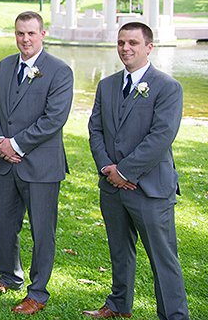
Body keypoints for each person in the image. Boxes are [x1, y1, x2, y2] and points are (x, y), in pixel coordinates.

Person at [83, 22, 189, 319]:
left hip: (151, 189)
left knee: (163, 258)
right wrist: (107, 168)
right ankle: (119, 305)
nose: (125, 48)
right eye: (120, 43)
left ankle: (174, 315)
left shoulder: (168, 87)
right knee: (119, 250)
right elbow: (95, 129)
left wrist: (126, 172)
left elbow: (161, 136)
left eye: (132, 43)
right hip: (112, 187)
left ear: (149, 47)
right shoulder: (107, 85)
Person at [0, 11, 73, 315]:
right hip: (8, 163)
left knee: (41, 231)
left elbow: (54, 119)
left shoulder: (60, 71)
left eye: (31, 33)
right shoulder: (7, 65)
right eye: (20, 33)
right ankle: (9, 276)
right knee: (5, 223)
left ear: (42, 34)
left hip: (41, 167)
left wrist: (16, 144)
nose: (25, 39)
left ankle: (38, 292)